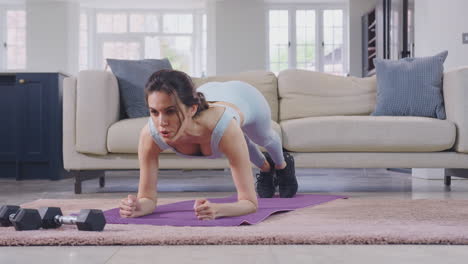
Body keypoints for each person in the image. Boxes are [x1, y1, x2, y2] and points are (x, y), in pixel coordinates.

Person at [119, 70, 298, 220]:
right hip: (209, 95)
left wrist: (219, 210)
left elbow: (250, 203)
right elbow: (148, 198)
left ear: (192, 109)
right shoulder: (150, 135)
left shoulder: (225, 128)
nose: (161, 122)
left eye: (170, 111)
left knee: (263, 138)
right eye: (154, 112)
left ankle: (283, 166)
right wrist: (137, 206)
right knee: (237, 142)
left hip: (245, 96)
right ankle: (266, 169)